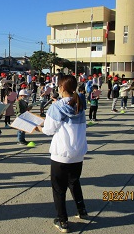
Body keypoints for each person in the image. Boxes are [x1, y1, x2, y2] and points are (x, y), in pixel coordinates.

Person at [36, 75, 88, 233]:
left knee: (59, 189)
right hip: (78, 151)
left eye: (58, 86)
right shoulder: (80, 102)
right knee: (74, 181)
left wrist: (37, 127)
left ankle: (63, 220)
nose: (57, 88)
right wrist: (55, 107)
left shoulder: (57, 107)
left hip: (61, 153)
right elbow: (66, 112)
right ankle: (81, 210)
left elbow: (48, 130)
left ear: (62, 88)